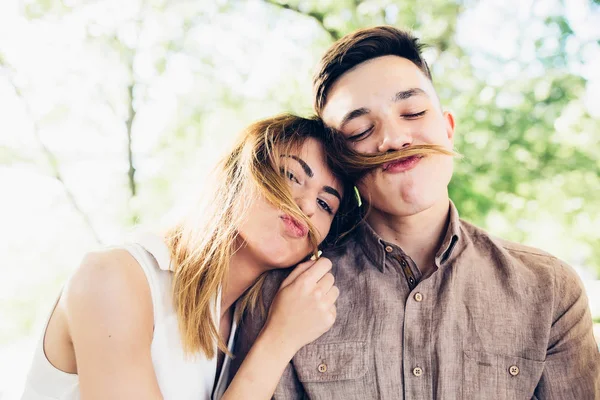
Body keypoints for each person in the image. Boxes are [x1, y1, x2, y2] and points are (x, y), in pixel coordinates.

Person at [231, 27, 600, 399]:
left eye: (413, 111)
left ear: (448, 128)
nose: (393, 139)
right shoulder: (283, 294)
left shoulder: (548, 289)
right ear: (342, 163)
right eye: (360, 130)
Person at [21, 114, 361, 400]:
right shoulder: (115, 278)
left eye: (325, 204)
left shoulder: (241, 323)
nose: (305, 206)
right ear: (238, 174)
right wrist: (279, 340)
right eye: (291, 176)